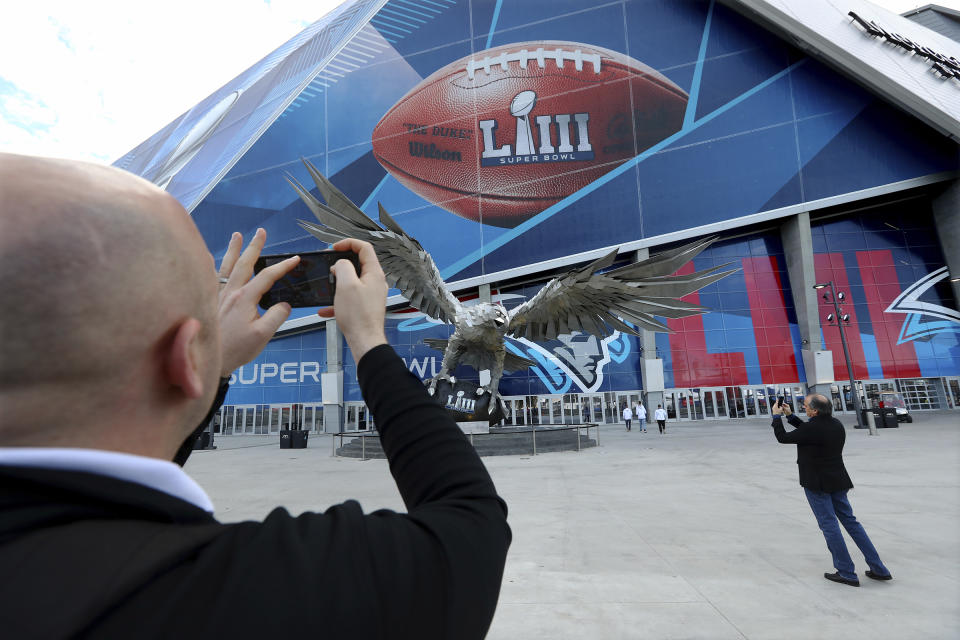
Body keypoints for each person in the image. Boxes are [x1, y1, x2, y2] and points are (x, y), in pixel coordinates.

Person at [0, 153, 511, 638]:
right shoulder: (247, 596)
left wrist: (209, 358)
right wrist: (369, 341)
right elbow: (471, 525)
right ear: (183, 360)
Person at [771, 394, 892, 587]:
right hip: (838, 480)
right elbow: (808, 431)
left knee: (829, 526)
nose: (804, 408)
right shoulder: (836, 424)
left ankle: (846, 572)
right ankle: (879, 568)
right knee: (851, 523)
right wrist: (790, 416)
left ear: (815, 410)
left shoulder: (812, 428)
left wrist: (776, 417)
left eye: (805, 406)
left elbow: (783, 438)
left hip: (817, 483)